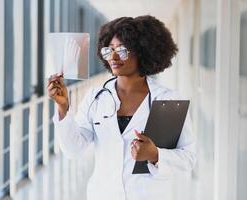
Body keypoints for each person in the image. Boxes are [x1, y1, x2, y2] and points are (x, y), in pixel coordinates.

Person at [47, 15, 196, 200]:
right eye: (108, 51)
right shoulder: (96, 97)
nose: (114, 57)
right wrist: (63, 108)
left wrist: (155, 155)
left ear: (143, 52)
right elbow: (73, 149)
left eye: (122, 50)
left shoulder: (166, 100)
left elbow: (188, 158)